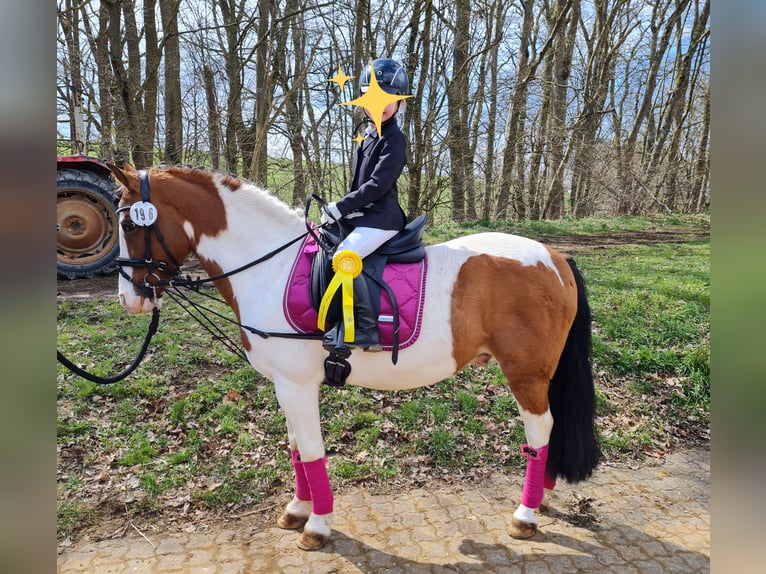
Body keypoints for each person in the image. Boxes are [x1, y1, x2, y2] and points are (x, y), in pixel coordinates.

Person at [322, 58, 410, 351]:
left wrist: (341, 207)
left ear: (399, 103)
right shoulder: (368, 135)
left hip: (382, 219)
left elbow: (376, 186)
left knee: (345, 257)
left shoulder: (395, 139)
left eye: (388, 100)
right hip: (364, 215)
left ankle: (368, 330)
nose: (380, 105)